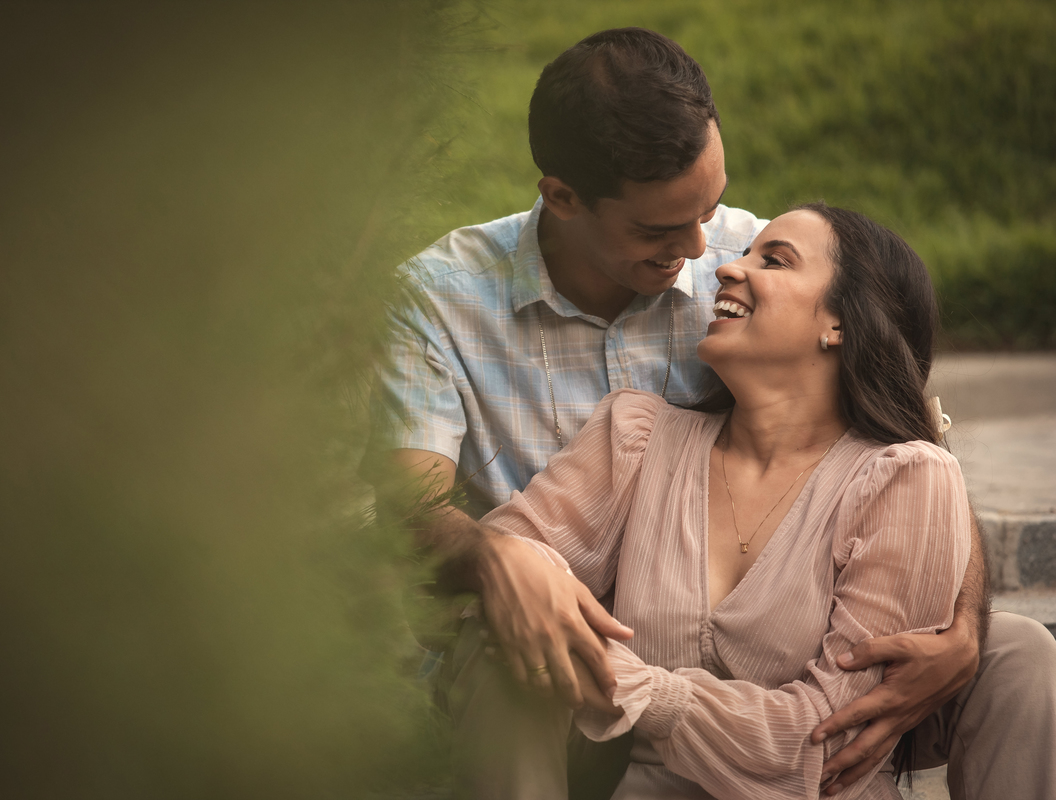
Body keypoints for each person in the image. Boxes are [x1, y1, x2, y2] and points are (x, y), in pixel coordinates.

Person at [365, 27, 1056, 799]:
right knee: (512, 656)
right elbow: (409, 509)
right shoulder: (440, 300)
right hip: (578, 632)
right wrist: (501, 560)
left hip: (783, 638)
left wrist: (961, 621)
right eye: (659, 229)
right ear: (562, 198)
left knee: (1017, 650)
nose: (705, 252)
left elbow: (911, 442)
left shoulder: (742, 254)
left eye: (711, 207)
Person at [476, 203, 967, 798]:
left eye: (775, 261)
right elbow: (505, 556)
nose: (727, 271)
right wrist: (524, 575)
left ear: (839, 324)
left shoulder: (904, 479)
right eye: (744, 255)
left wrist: (632, 685)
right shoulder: (636, 437)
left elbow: (825, 741)